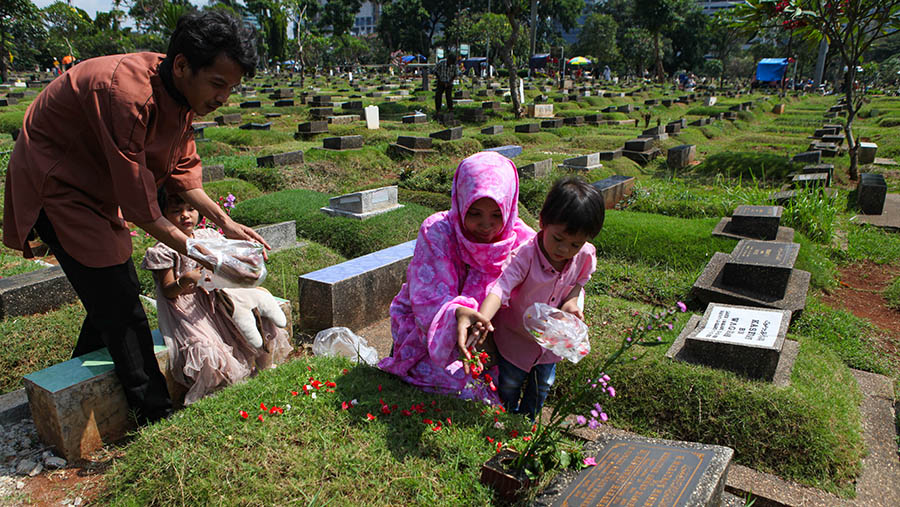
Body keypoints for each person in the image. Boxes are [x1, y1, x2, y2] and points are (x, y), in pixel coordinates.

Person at [3, 10, 267, 425]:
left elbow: (182, 169)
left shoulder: (179, 96)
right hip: (59, 184)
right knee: (120, 294)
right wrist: (205, 254)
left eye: (231, 88)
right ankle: (155, 413)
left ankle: (71, 384)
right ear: (181, 65)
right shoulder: (126, 95)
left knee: (107, 292)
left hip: (96, 183)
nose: (223, 99)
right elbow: (141, 208)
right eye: (218, 84)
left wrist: (225, 222)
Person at [378, 151, 535, 402]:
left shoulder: (523, 241)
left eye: (497, 214)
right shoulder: (438, 231)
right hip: (429, 330)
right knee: (460, 387)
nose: (486, 226)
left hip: (492, 336)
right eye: (474, 214)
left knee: (500, 383)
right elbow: (427, 297)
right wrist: (457, 313)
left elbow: (556, 272)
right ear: (460, 201)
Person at [457, 177, 604, 419]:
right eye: (558, 239)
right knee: (510, 384)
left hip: (551, 345)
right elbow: (501, 287)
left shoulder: (585, 255)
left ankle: (527, 423)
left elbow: (579, 283)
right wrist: (481, 319)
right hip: (517, 342)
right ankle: (504, 419)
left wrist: (572, 302)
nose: (564, 250)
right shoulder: (525, 255)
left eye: (575, 244)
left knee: (542, 386)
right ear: (543, 222)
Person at [141, 191, 291, 405]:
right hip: (187, 307)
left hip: (215, 295)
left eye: (191, 209)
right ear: (162, 217)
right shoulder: (163, 250)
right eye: (176, 212)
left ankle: (264, 368)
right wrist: (187, 279)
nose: (185, 216)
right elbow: (168, 290)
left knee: (255, 319)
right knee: (208, 350)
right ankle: (222, 389)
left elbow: (228, 258)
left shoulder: (206, 237)